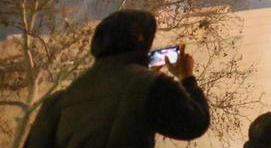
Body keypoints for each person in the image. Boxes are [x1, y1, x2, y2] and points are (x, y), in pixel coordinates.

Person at [23, 9, 210, 148]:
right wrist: (187, 77)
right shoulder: (151, 85)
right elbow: (195, 124)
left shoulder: (57, 101)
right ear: (139, 36)